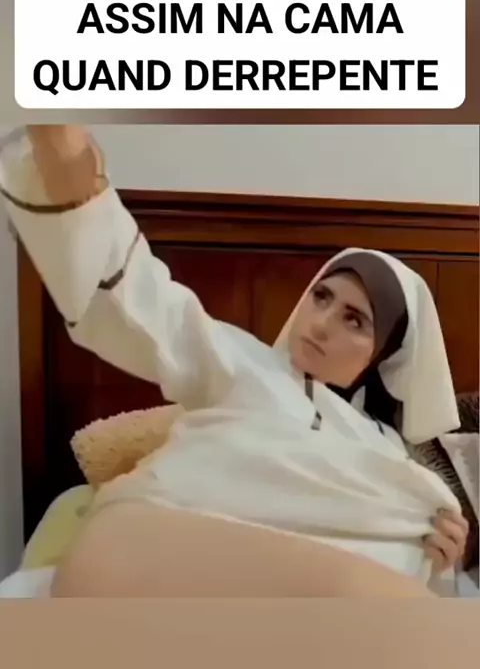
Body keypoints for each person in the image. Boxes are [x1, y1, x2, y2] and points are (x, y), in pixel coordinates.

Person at [0, 125, 469, 598]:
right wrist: (73, 178)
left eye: (355, 320)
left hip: (313, 607)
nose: (323, 322)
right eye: (321, 296)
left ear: (382, 354)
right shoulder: (242, 363)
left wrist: (438, 560)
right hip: (165, 561)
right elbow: (151, 309)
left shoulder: (399, 467)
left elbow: (420, 574)